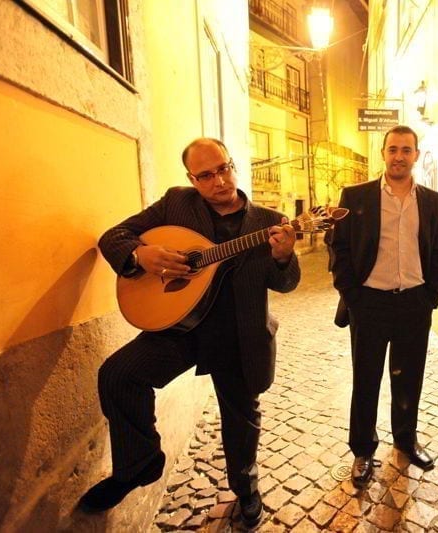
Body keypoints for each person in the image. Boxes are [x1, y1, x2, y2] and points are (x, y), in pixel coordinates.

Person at [79, 138, 299, 528]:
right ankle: (138, 465)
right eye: (206, 174)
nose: (219, 180)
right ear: (192, 179)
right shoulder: (177, 204)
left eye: (224, 168)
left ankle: (246, 488)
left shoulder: (269, 222)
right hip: (180, 328)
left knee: (242, 419)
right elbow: (113, 236)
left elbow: (285, 284)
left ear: (232, 165)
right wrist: (138, 255)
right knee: (118, 374)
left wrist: (283, 257)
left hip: (238, 336)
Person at [331, 125, 438, 488]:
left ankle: (406, 439)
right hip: (370, 303)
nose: (399, 156)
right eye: (393, 149)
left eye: (406, 150)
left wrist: (433, 294)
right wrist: (353, 295)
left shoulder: (431, 200)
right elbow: (339, 248)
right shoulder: (356, 195)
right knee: (366, 379)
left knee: (409, 377)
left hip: (415, 302)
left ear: (415, 154)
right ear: (383, 153)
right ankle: (363, 450)